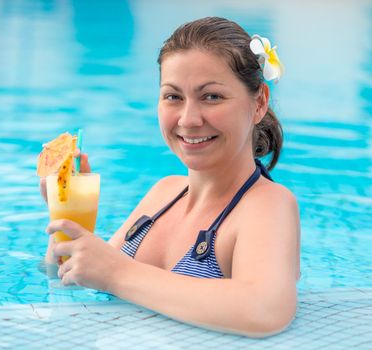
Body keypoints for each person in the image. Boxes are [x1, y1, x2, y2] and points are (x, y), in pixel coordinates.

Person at [41, 17, 300, 338]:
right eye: (173, 97)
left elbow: (265, 311)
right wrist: (67, 225)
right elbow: (80, 277)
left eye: (212, 97)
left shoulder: (265, 205)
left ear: (259, 102)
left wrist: (117, 273)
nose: (188, 119)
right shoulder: (163, 193)